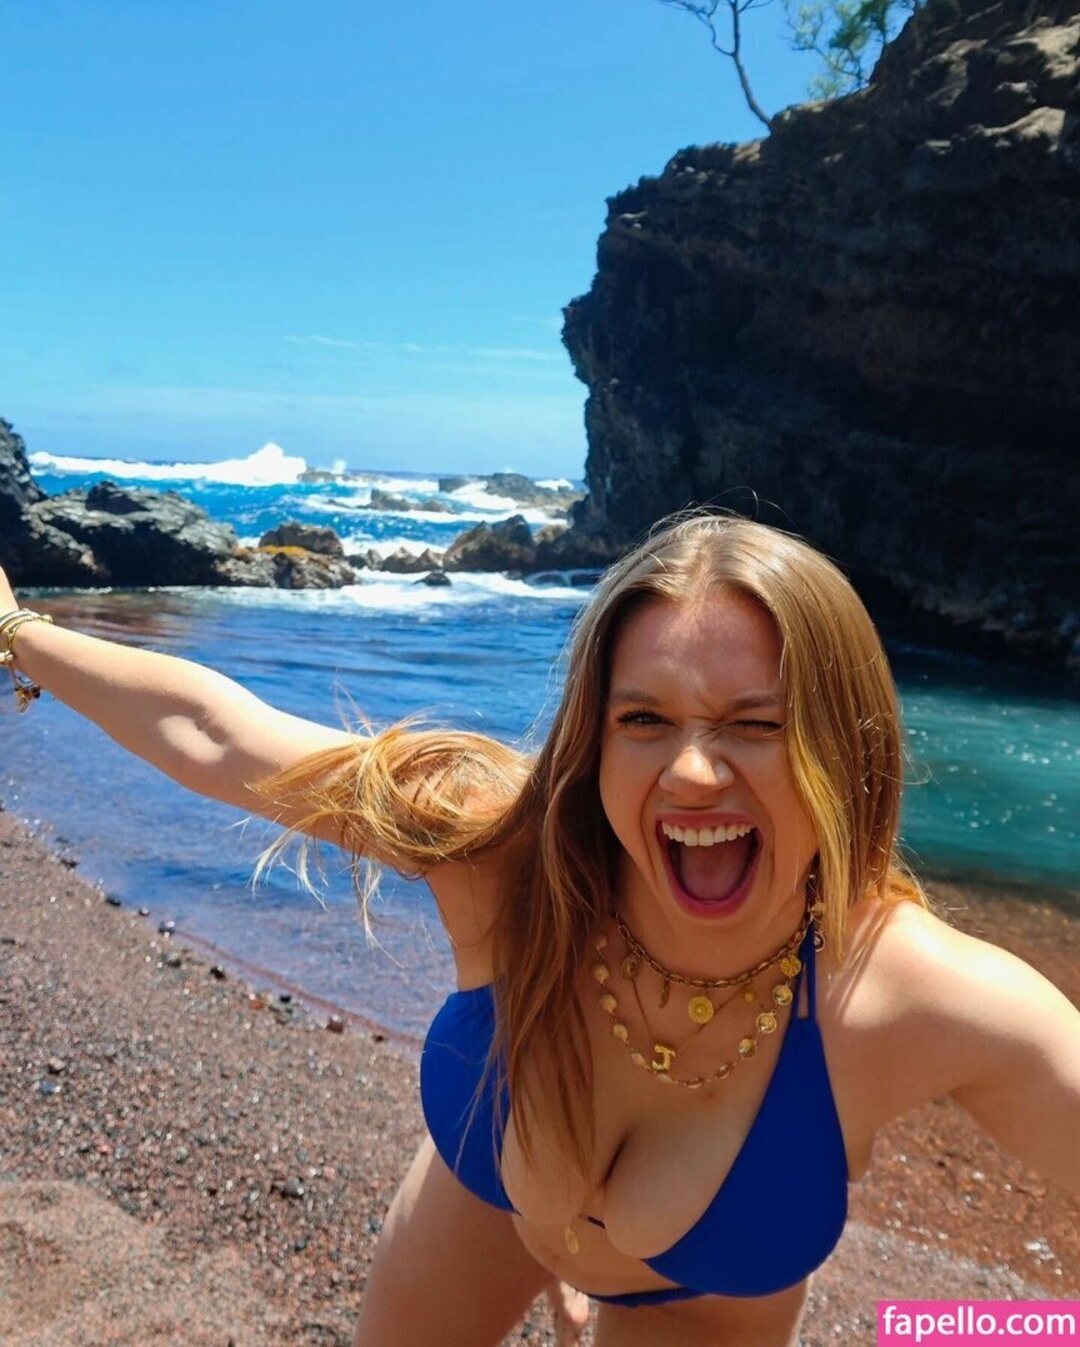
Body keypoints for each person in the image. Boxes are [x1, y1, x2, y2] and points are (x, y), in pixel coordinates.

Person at [1, 512, 1077, 1347]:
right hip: (492, 1195)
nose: (693, 770)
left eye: (757, 723)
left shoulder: (921, 999)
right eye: (644, 718)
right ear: (593, 738)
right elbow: (213, 731)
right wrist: (17, 632)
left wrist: (970, 1328)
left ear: (847, 749)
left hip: (702, 1305)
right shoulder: (502, 853)